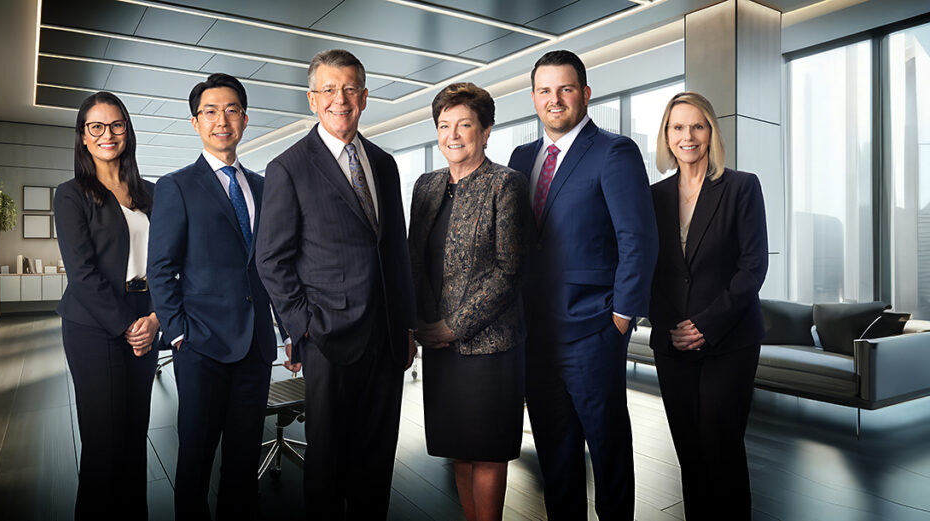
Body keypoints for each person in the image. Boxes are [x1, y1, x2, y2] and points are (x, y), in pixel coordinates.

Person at [255, 49, 416, 521]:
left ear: (364, 97)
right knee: (328, 465)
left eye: (349, 89)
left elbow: (396, 250)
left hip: (386, 339)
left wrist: (405, 327)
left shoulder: (383, 163)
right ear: (311, 99)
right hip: (328, 338)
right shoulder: (288, 167)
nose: (339, 99)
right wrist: (304, 328)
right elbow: (271, 259)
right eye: (328, 90)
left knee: (377, 458)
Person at [507, 50, 658, 521]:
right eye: (545, 91)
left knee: (608, 448)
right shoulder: (521, 157)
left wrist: (620, 317)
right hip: (534, 333)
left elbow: (639, 238)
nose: (555, 100)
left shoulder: (614, 151)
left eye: (566, 89)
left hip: (594, 329)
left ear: (585, 94)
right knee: (554, 453)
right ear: (533, 98)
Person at [146, 73, 280, 520]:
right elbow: (161, 268)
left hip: (256, 347)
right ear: (195, 122)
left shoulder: (264, 187)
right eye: (210, 111)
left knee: (243, 465)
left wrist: (287, 330)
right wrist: (178, 332)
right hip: (200, 346)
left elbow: (272, 265)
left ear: (245, 118)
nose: (221, 119)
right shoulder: (177, 185)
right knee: (196, 463)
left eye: (231, 110)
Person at [409, 82, 529, 521]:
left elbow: (508, 270)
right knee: (457, 448)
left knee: (488, 451)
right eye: (444, 126)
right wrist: (421, 325)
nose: (453, 135)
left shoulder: (506, 184)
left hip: (489, 347)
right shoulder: (425, 186)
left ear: (486, 130)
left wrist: (453, 326)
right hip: (438, 348)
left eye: (464, 125)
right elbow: (413, 261)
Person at [648, 91, 768, 521]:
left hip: (729, 340)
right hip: (672, 341)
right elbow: (649, 268)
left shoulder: (741, 187)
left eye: (697, 126)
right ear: (666, 135)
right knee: (689, 450)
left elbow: (752, 267)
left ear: (711, 132)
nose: (688, 136)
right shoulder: (653, 196)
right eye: (677, 127)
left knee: (721, 446)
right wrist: (669, 325)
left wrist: (703, 324)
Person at [55, 91, 159, 520]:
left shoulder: (152, 192)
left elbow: (170, 264)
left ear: (127, 131)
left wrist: (154, 320)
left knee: (135, 438)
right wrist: (127, 324)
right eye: (95, 126)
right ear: (83, 137)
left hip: (146, 318)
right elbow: (82, 272)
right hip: (93, 327)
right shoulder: (71, 195)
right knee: (103, 445)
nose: (107, 134)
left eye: (116, 124)